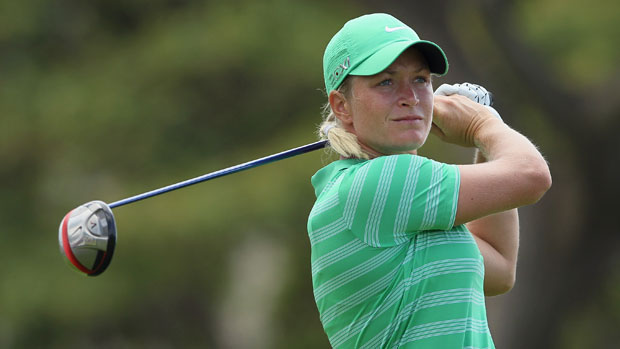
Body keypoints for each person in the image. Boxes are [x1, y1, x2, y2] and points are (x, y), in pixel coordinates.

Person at [307, 13, 551, 348]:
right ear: (342, 106)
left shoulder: (406, 205)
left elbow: (499, 267)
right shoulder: (375, 184)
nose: (410, 96)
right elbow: (531, 176)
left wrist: (484, 135)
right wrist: (482, 125)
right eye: (386, 82)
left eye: (421, 80)